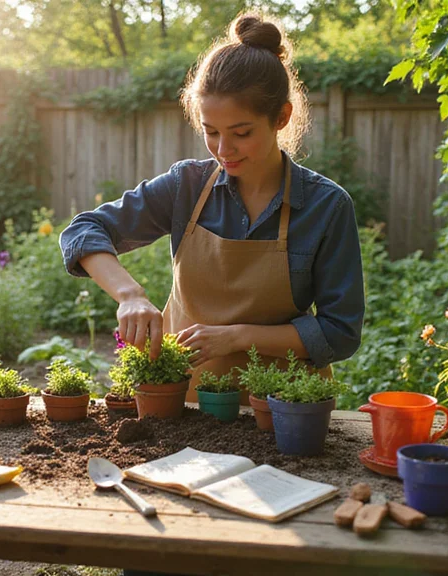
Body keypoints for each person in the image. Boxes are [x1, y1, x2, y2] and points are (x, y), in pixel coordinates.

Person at [59, 12, 364, 408]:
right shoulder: (186, 187)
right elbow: (84, 230)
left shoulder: (326, 206)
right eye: (211, 131)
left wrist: (236, 337)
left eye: (241, 133)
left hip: (282, 410)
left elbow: (339, 332)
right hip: (183, 404)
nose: (223, 150)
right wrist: (129, 295)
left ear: (281, 118)